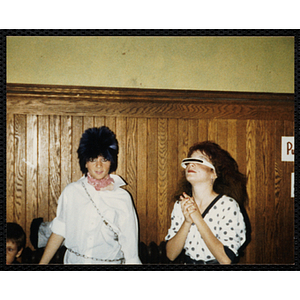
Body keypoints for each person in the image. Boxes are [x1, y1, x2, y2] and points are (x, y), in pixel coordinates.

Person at [40, 126, 141, 264]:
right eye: (93, 159)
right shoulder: (72, 192)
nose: (99, 165)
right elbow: (59, 230)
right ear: (85, 162)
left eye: (104, 159)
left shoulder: (123, 198)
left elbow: (130, 248)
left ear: (111, 162)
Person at [165, 141, 248, 265]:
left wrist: (197, 219)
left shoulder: (228, 206)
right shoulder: (181, 205)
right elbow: (171, 255)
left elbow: (225, 259)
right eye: (189, 161)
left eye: (200, 160)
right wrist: (187, 222)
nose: (191, 164)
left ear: (214, 173)